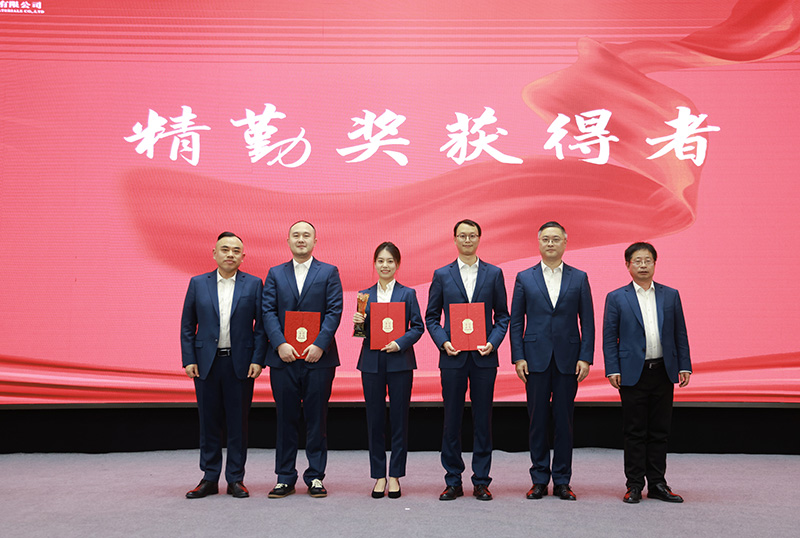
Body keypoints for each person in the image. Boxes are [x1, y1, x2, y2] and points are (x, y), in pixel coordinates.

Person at [425, 219, 510, 501]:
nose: (467, 240)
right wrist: (443, 342)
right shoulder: (442, 274)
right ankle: (453, 480)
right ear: (454, 239)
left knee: (483, 420)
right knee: (451, 420)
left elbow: (503, 316)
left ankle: (481, 481)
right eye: (462, 235)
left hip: (484, 358)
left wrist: (493, 342)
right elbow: (431, 317)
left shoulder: (494, 273)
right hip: (453, 357)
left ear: (479, 238)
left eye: (472, 235)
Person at [509, 221, 594, 501]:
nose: (550, 243)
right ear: (538, 243)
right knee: (537, 421)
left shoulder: (579, 277)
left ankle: (562, 481)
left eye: (556, 239)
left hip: (568, 359)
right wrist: (518, 356)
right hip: (534, 359)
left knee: (564, 421)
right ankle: (538, 479)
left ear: (565, 243)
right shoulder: (524, 277)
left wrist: (585, 357)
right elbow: (516, 321)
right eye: (545, 239)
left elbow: (588, 321)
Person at [602, 242, 692, 504]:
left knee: (660, 431)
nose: (643, 265)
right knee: (634, 431)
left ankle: (657, 483)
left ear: (655, 263)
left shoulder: (670, 295)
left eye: (647, 260)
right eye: (637, 261)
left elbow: (680, 333)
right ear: (628, 265)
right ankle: (633, 485)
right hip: (633, 373)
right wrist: (612, 368)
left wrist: (684, 364)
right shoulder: (616, 297)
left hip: (663, 370)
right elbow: (609, 337)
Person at [180, 232, 267, 499]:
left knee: (238, 423)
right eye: (225, 249)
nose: (230, 254)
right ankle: (209, 477)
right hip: (206, 364)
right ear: (214, 253)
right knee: (209, 422)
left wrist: (257, 359)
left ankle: (235, 479)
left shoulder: (254, 284)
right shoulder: (198, 283)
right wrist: (189, 359)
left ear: (243, 256)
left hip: (240, 364)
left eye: (236, 251)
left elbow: (261, 327)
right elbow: (187, 325)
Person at [262, 221, 343, 498]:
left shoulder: (329, 272)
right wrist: (279, 343)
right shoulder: (275, 273)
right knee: (285, 418)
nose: (301, 239)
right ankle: (284, 477)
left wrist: (320, 345)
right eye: (295, 235)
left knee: (316, 419)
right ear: (287, 241)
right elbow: (268, 311)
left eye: (306, 235)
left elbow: (334, 311)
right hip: (283, 359)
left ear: (315, 241)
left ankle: (315, 476)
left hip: (318, 359)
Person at [352, 242, 424, 499]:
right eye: (381, 261)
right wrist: (358, 323)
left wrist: (399, 343)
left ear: (397, 264)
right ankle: (378, 476)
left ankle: (395, 475)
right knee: (374, 420)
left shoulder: (407, 294)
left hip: (400, 361)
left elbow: (418, 327)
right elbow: (360, 334)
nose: (385, 265)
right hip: (371, 362)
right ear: (374, 264)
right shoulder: (364, 295)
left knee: (399, 419)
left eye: (390, 261)